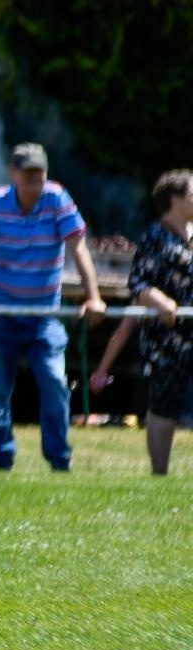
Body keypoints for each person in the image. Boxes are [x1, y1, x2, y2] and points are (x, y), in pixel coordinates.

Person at [0, 142, 106, 471]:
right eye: (27, 175)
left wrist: (93, 295)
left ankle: (59, 459)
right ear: (13, 174)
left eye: (39, 174)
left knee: (55, 382)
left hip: (44, 315)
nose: (34, 181)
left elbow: (78, 249)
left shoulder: (58, 199)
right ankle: (1, 456)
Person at [126, 170, 193, 475]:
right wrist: (161, 301)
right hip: (167, 340)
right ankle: (160, 474)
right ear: (174, 200)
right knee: (164, 404)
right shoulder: (155, 237)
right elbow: (138, 283)